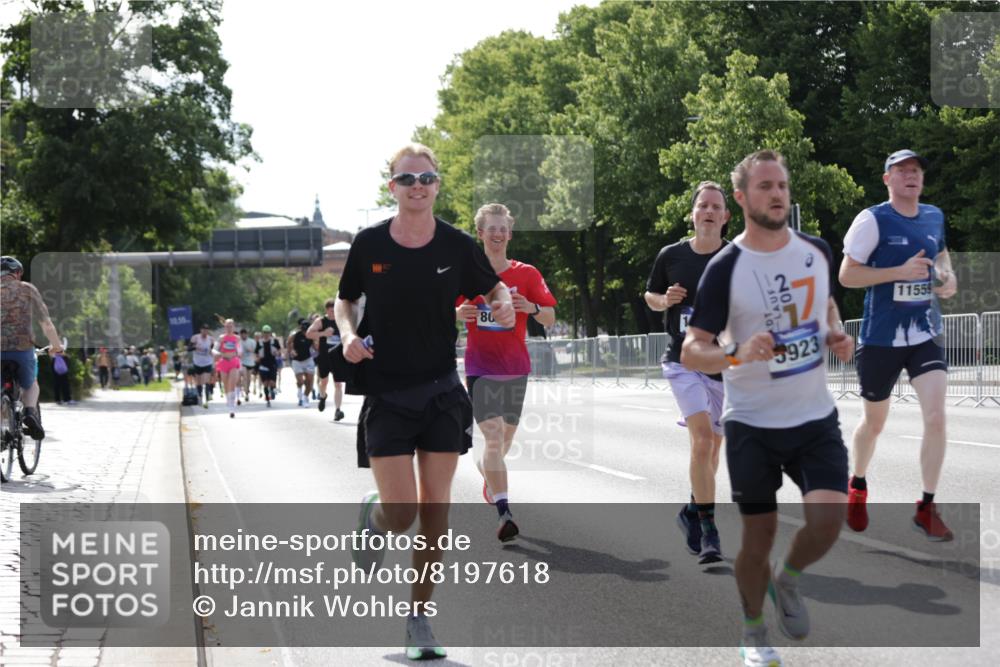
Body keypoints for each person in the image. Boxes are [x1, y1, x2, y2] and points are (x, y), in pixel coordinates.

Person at [335, 143, 513, 660]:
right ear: (391, 186)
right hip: (387, 392)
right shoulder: (369, 244)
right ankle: (374, 520)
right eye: (407, 178)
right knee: (402, 512)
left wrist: (500, 307)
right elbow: (346, 298)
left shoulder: (456, 245)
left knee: (436, 513)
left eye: (427, 178)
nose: (418, 186)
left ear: (437, 185)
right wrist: (348, 333)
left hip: (440, 390)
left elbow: (493, 288)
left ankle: (418, 620)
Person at [681, 150, 855, 667]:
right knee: (758, 537)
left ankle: (789, 578)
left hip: (814, 416)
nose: (777, 194)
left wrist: (836, 333)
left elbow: (825, 305)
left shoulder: (816, 250)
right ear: (741, 198)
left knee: (827, 521)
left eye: (782, 185)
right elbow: (693, 348)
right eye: (764, 187)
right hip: (752, 421)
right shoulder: (725, 267)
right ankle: (753, 629)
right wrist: (735, 352)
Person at [839, 148, 958, 541]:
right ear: (887, 178)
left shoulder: (933, 215)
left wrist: (946, 276)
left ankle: (926, 506)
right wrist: (898, 272)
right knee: (874, 424)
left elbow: (941, 255)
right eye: (902, 170)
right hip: (880, 338)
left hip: (923, 332)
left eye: (917, 170)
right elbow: (846, 276)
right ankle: (857, 484)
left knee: (937, 416)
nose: (912, 175)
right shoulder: (872, 220)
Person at [456, 203, 556, 542]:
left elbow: (550, 317)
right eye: (491, 228)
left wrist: (533, 307)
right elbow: (445, 307)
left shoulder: (526, 274)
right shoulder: (468, 272)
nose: (497, 234)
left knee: (504, 443)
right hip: (479, 366)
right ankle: (504, 513)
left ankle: (488, 474)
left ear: (509, 234)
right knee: (494, 437)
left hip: (516, 367)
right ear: (481, 233)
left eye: (503, 229)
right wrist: (460, 311)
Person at [644, 181, 730, 565]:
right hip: (682, 361)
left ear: (726, 216)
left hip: (726, 366)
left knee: (713, 450)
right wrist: (666, 300)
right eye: (703, 206)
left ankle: (692, 510)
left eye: (716, 206)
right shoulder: (671, 255)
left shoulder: (738, 257)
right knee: (701, 441)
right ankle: (710, 531)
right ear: (693, 214)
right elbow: (650, 295)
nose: (709, 211)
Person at [0, 256, 65, 439]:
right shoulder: (27, 289)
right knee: (31, 384)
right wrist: (56, 346)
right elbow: (46, 323)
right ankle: (29, 412)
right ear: (18, 273)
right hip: (22, 349)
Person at [307, 298, 346, 419]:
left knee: (338, 384)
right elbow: (308, 333)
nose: (332, 313)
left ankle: (338, 410)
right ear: (326, 310)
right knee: (323, 382)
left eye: (334, 310)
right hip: (324, 356)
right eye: (330, 311)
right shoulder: (321, 321)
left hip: (338, 357)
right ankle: (323, 396)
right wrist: (323, 333)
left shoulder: (341, 320)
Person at [215, 319, 242, 418]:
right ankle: (229, 400)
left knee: (232, 384)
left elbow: (239, 349)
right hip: (223, 362)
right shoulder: (221, 338)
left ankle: (232, 407)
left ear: (233, 327)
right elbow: (214, 348)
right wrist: (216, 352)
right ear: (225, 327)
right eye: (227, 326)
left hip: (233, 361)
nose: (229, 328)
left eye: (231, 326)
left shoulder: (237, 338)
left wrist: (239, 352)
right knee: (226, 385)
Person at [288, 318, 316, 407]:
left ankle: (305, 398)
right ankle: (299, 390)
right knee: (300, 380)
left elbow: (315, 346)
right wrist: (291, 351)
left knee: (309, 381)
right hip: (297, 361)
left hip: (308, 359)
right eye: (303, 330)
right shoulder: (295, 335)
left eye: (306, 331)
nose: (305, 333)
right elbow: (288, 343)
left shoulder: (311, 336)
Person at [190, 324, 216, 408]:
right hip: (197, 362)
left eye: (206, 329)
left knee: (206, 380)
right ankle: (200, 396)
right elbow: (188, 348)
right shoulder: (195, 338)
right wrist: (195, 347)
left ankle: (206, 399)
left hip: (207, 362)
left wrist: (212, 353)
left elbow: (212, 349)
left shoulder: (211, 339)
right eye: (203, 329)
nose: (205, 331)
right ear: (200, 330)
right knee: (198, 382)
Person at [255, 325, 281, 407]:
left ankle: (272, 390)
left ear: (270, 333)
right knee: (265, 383)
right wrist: (257, 358)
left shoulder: (274, 341)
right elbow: (255, 353)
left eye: (268, 332)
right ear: (262, 333)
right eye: (265, 332)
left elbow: (280, 349)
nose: (266, 334)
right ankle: (267, 399)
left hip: (272, 363)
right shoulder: (259, 342)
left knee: (272, 382)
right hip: (263, 364)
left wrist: (277, 353)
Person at [238, 328, 256, 403]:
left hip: (250, 362)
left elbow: (255, 350)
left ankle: (247, 391)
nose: (243, 335)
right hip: (242, 362)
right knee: (245, 377)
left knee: (248, 378)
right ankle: (245, 393)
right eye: (242, 334)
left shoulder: (251, 341)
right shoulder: (239, 342)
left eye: (244, 334)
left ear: (247, 334)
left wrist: (250, 350)